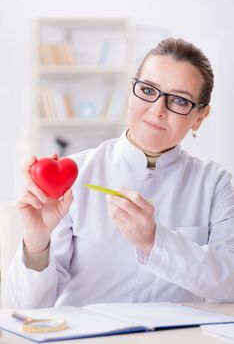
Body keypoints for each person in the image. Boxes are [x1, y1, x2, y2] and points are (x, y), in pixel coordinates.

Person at [7, 37, 234, 308]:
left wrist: (154, 242)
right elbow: (26, 307)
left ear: (200, 116)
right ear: (131, 94)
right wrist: (36, 239)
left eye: (179, 100)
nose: (157, 110)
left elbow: (229, 283)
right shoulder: (75, 175)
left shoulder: (215, 183)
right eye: (148, 91)